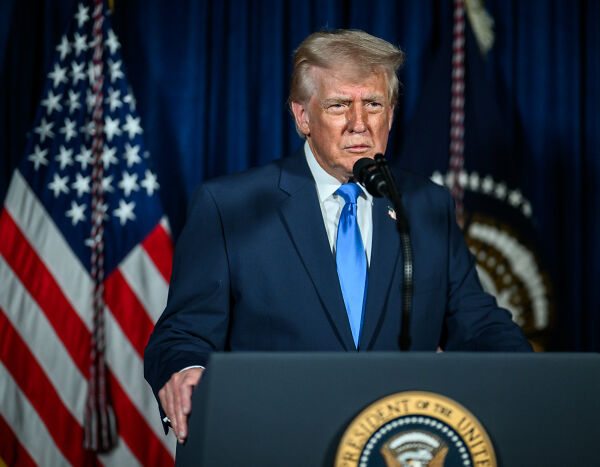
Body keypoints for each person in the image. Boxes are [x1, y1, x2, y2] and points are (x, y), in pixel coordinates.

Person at [144, 29, 532, 445]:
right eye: (338, 106)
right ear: (302, 117)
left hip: (395, 444)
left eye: (373, 105)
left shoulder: (425, 205)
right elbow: (183, 334)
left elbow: (478, 324)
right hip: (274, 442)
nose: (359, 124)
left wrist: (535, 381)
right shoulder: (229, 206)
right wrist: (187, 372)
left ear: (392, 113)